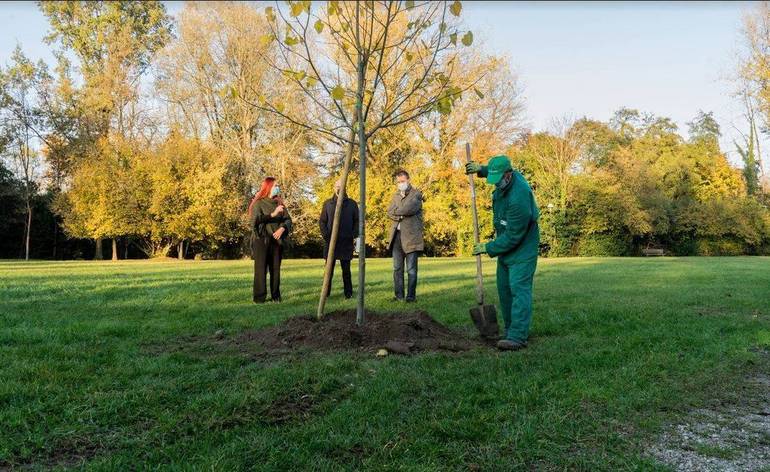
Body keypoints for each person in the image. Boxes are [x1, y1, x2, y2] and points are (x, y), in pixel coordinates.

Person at [465, 155, 540, 351]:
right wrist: (480, 170)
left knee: (518, 288)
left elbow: (514, 236)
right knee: (504, 289)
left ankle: (518, 336)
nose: (495, 183)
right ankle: (509, 329)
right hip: (505, 245)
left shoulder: (519, 196)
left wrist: (487, 248)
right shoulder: (503, 179)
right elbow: (491, 171)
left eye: (498, 179)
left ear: (509, 174)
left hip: (522, 247)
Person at [248, 177, 292, 303]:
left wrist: (282, 228)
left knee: (275, 269)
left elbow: (288, 220)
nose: (278, 187)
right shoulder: (259, 203)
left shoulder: (279, 203)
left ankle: (275, 296)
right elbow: (254, 221)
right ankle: (259, 297)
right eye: (275, 185)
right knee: (260, 270)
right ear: (269, 187)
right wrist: (272, 215)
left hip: (276, 241)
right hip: (261, 240)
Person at [387, 169, 424, 302]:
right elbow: (389, 211)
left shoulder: (416, 194)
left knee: (411, 269)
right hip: (396, 236)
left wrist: (398, 211)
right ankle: (399, 296)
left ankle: (410, 297)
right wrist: (400, 213)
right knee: (397, 268)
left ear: (408, 180)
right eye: (398, 182)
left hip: (412, 237)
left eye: (402, 181)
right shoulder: (396, 195)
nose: (400, 184)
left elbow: (410, 209)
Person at [319, 179, 359, 299]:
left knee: (346, 270)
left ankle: (348, 293)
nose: (338, 188)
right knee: (329, 270)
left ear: (345, 187)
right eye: (336, 186)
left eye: (341, 186)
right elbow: (322, 221)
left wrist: (353, 234)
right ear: (333, 187)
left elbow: (357, 221)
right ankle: (326, 293)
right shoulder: (328, 204)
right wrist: (326, 236)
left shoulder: (352, 204)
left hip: (346, 241)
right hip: (331, 242)